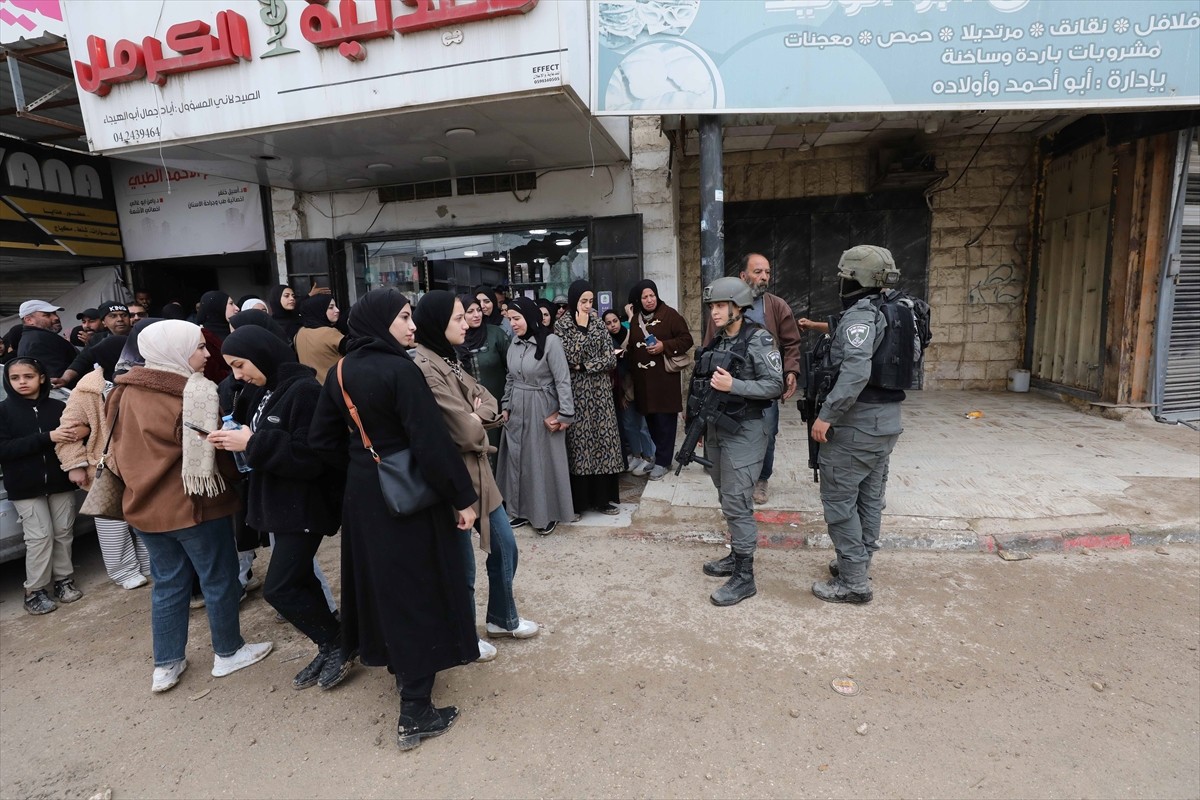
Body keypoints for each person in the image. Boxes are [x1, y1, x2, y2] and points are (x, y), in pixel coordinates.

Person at [309, 289, 479, 751]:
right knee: (420, 589)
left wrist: (365, 463)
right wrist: (463, 499)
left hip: (365, 499)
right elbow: (431, 443)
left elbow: (322, 441)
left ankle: (405, 680)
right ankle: (416, 710)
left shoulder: (340, 370)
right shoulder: (401, 369)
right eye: (404, 318)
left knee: (385, 589)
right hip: (411, 497)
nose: (412, 326)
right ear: (381, 321)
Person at [107, 319, 273, 693]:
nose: (207, 353)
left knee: (167, 583)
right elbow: (214, 450)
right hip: (195, 504)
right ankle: (229, 652)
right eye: (198, 347)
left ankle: (166, 665)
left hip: (142, 506)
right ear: (175, 351)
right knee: (218, 578)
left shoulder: (122, 391)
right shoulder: (193, 392)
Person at [208, 326, 350, 690]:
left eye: (240, 365)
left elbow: (314, 456)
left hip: (303, 505)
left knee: (279, 588)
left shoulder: (304, 391)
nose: (238, 375)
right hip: (277, 502)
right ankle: (331, 642)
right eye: (233, 369)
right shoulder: (262, 390)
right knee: (299, 579)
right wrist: (234, 436)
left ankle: (338, 641)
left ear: (262, 353)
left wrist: (251, 442)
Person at [411, 291, 539, 659]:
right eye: (457, 318)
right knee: (461, 566)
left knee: (505, 546)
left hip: (480, 470)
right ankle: (464, 636)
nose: (467, 323)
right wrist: (476, 414)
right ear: (438, 323)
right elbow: (466, 431)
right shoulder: (425, 366)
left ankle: (501, 617)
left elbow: (490, 398)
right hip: (454, 473)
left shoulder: (449, 359)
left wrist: (475, 413)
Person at [807, 245, 907, 605]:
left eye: (844, 277)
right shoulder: (892, 309)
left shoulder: (861, 318)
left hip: (856, 426)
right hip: (885, 424)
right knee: (869, 499)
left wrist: (826, 415)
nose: (840, 283)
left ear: (855, 279)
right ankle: (858, 564)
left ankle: (853, 582)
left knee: (839, 502)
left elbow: (855, 372)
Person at [695, 278, 784, 606]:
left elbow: (774, 386)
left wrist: (736, 385)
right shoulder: (718, 340)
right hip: (719, 428)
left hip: (746, 430)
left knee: (736, 499)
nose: (714, 312)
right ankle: (736, 555)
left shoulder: (759, 339)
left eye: (720, 306)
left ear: (738, 307)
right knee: (725, 494)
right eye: (712, 307)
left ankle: (745, 577)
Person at [53, 334, 151, 590]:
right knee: (111, 522)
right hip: (105, 465)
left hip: (141, 461)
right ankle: (123, 570)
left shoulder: (140, 380)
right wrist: (74, 465)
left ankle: (149, 561)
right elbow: (68, 431)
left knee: (145, 515)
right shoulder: (86, 390)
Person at [703, 253, 801, 505]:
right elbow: (709, 346)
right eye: (758, 272)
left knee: (766, 431)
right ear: (743, 276)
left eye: (767, 272)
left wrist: (790, 370)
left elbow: (791, 342)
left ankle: (761, 479)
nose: (764, 277)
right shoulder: (722, 306)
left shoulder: (776, 306)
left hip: (760, 383)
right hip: (726, 386)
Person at [0, 358, 83, 615]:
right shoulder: (2, 412)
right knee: (39, 537)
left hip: (59, 482)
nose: (22, 382)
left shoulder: (58, 406)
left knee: (63, 532)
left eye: (28, 376)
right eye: (15, 378)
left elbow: (76, 436)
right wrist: (48, 437)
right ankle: (34, 591)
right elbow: (4, 450)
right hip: (25, 486)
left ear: (42, 378)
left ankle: (63, 581)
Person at [496, 297, 575, 535]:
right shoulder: (514, 344)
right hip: (517, 409)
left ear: (530, 318)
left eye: (517, 319)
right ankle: (519, 511)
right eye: (510, 319)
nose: (513, 324)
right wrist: (506, 405)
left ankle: (546, 514)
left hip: (541, 407)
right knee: (518, 461)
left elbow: (563, 380)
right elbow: (510, 377)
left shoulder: (551, 342)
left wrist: (565, 414)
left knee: (541, 462)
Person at [554, 281, 624, 516]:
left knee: (603, 442)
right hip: (577, 394)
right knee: (580, 446)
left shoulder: (598, 321)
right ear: (574, 300)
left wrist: (583, 366)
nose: (587, 305)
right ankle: (580, 503)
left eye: (590, 301)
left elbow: (610, 359)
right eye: (583, 301)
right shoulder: (562, 326)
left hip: (601, 393)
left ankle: (603, 500)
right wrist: (582, 331)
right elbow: (568, 356)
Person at [626, 280, 694, 480]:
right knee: (651, 421)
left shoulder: (670, 315)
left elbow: (686, 339)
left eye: (652, 296)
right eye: (645, 297)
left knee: (665, 422)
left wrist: (664, 345)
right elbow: (632, 345)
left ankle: (664, 461)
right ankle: (657, 456)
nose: (649, 300)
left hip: (664, 381)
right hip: (644, 382)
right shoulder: (636, 318)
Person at [458, 294, 510, 457]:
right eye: (470, 311)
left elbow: (512, 369)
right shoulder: (456, 339)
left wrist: (508, 403)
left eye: (478, 310)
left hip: (499, 407)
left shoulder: (496, 334)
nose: (476, 315)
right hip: (468, 411)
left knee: (500, 453)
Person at [60, 301, 134, 387]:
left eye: (124, 315)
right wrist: (64, 379)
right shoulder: (97, 339)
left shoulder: (141, 335)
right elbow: (81, 361)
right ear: (104, 322)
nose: (120, 319)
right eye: (113, 316)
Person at [15, 300, 75, 384]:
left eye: (55, 313)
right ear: (29, 320)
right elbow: (55, 378)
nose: (56, 317)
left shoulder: (33, 338)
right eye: (47, 315)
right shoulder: (40, 339)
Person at [294, 295, 345, 386]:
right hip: (333, 387)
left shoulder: (299, 333)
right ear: (318, 310)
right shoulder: (329, 333)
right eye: (331, 307)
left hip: (310, 386)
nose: (337, 310)